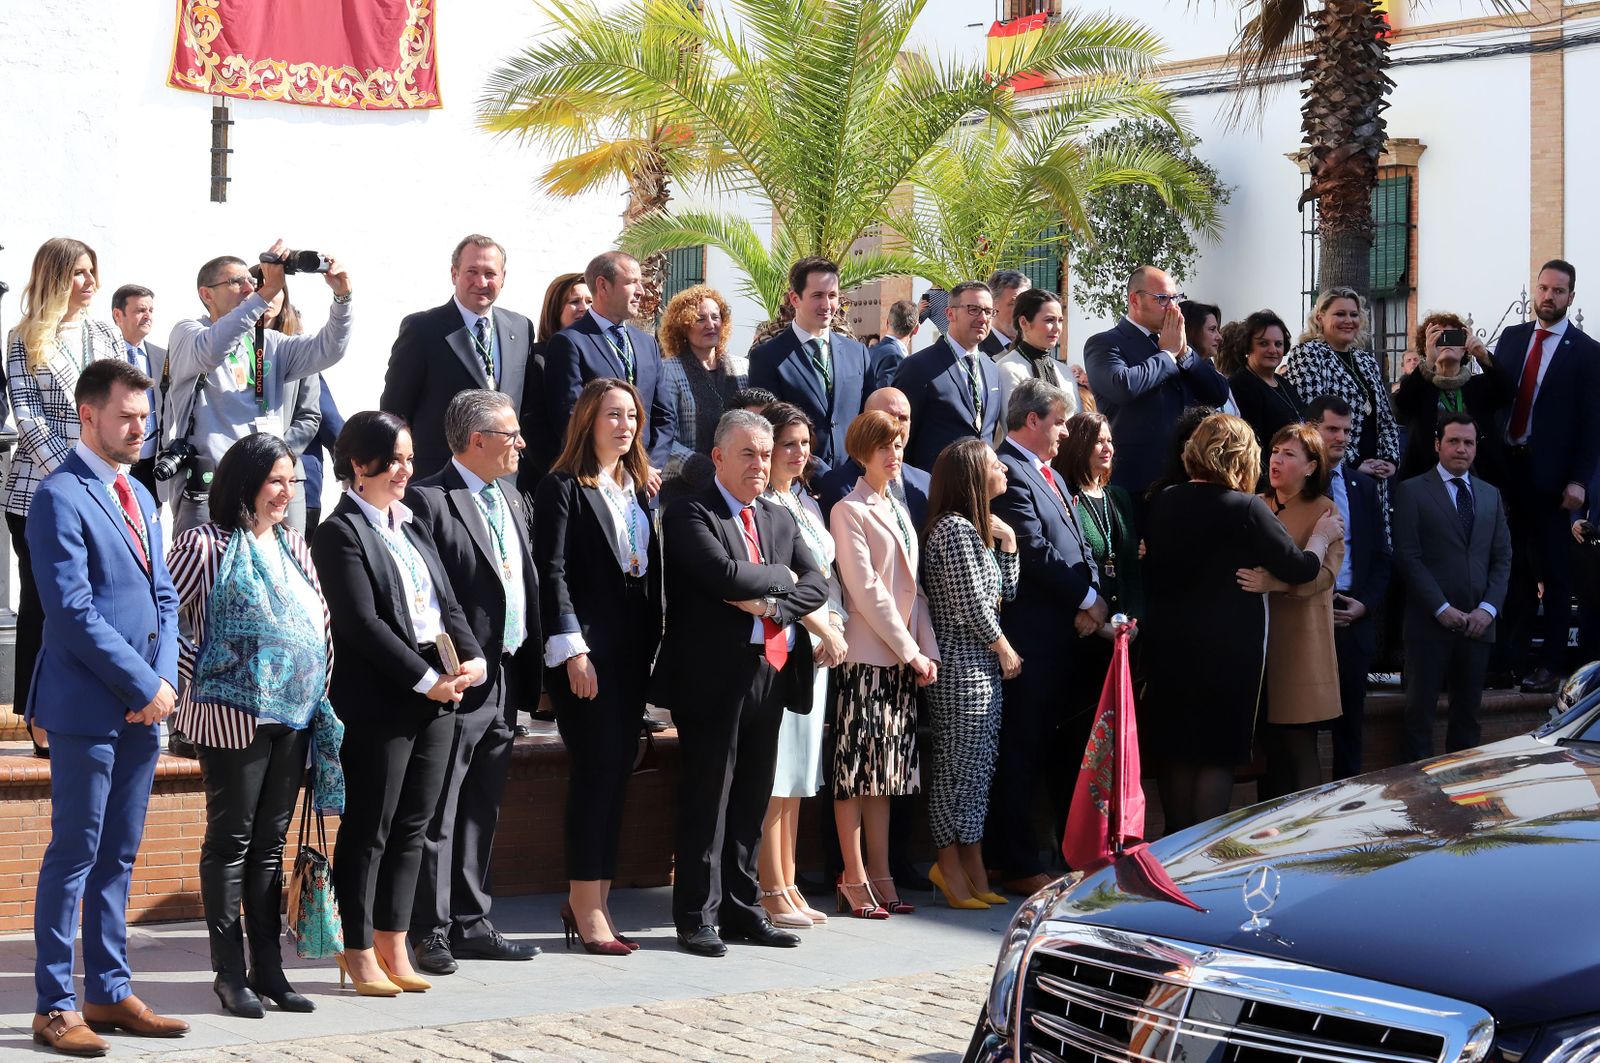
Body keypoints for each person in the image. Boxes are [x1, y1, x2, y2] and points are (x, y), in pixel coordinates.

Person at [29, 359, 188, 1056]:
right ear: (88, 415)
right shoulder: (59, 495)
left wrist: (161, 680)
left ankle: (109, 989)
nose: (139, 427)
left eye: (145, 417)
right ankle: (55, 1004)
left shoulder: (142, 493)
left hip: (141, 709)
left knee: (118, 855)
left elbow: (165, 597)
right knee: (75, 853)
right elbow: (70, 611)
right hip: (87, 709)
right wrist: (140, 685)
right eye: (126, 416)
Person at [311, 411, 486, 997]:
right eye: (394, 459)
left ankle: (393, 940)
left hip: (438, 692)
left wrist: (471, 658)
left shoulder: (412, 525)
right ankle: (356, 949)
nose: (405, 470)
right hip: (382, 696)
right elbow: (361, 623)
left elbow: (445, 602)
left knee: (414, 826)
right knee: (371, 829)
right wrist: (423, 678)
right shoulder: (339, 532)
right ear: (360, 465)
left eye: (410, 458)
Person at [167, 433, 330, 1017]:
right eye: (276, 480)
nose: (287, 491)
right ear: (246, 483)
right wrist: (199, 678)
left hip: (293, 717)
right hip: (234, 718)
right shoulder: (203, 544)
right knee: (230, 842)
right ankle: (228, 974)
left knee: (269, 846)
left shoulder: (294, 545)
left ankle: (271, 971)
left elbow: (314, 622)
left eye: (293, 480)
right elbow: (165, 621)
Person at [657, 409, 828, 956]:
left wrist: (772, 602)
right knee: (709, 795)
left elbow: (818, 582)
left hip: (770, 672)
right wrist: (784, 579)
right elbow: (724, 576)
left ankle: (742, 908)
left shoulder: (778, 518)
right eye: (748, 453)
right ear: (719, 458)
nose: (761, 464)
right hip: (712, 677)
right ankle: (696, 916)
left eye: (765, 452)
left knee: (752, 797)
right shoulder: (691, 512)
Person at [1141, 414, 1341, 833]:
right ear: (1240, 456)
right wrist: (1321, 538)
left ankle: (1171, 847)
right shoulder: (1246, 506)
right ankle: (1200, 852)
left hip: (1168, 647)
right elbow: (1302, 568)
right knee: (1216, 756)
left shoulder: (1163, 500)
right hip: (1226, 652)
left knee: (1177, 752)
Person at [406, 391, 544, 974]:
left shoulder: (513, 496)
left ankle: (471, 920)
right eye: (510, 435)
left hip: (508, 672)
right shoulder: (431, 499)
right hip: (460, 674)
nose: (520, 444)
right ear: (476, 439)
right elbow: (431, 595)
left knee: (482, 804)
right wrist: (457, 659)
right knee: (439, 805)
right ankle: (429, 929)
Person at [533, 379, 663, 955]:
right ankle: (586, 906)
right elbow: (552, 572)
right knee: (594, 776)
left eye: (631, 415)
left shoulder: (637, 489)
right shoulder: (562, 485)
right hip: (585, 655)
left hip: (633, 653)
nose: (624, 425)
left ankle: (597, 901)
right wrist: (573, 648)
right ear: (587, 419)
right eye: (613, 415)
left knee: (616, 778)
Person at [6, 238, 129, 760]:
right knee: (44, 606)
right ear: (56, 277)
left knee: (99, 602)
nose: (89, 282)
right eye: (78, 272)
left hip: (104, 486)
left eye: (92, 271)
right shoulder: (23, 338)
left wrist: (107, 473)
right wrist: (74, 476)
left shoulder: (106, 333)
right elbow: (28, 416)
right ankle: (37, 717)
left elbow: (126, 400)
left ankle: (95, 706)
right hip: (41, 489)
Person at [986, 379, 1104, 892]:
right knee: (1022, 750)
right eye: (1058, 421)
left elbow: (1077, 545)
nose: (1064, 432)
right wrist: (1086, 599)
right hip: (1031, 636)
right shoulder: (1008, 471)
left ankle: (1035, 852)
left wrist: (1093, 601)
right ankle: (1014, 862)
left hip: (1064, 637)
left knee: (1047, 750)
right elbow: (1033, 552)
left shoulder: (1049, 473)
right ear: (1031, 421)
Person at [830, 410, 940, 918]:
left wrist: (926, 650)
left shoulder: (896, 505)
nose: (894, 455)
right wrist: (911, 650)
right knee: (856, 771)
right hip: (867, 657)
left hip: (899, 658)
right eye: (884, 447)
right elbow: (868, 592)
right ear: (861, 452)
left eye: (898, 445)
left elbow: (912, 591)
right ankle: (853, 876)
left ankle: (881, 872)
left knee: (887, 775)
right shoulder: (848, 509)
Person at [165, 239, 351, 535]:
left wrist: (342, 297)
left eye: (252, 281)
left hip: (264, 491)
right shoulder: (188, 333)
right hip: (209, 491)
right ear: (206, 294)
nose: (249, 287)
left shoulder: (269, 342)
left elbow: (329, 349)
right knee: (206, 577)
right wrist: (266, 294)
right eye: (236, 281)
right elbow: (213, 349)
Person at [1488, 260, 1600, 693]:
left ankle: (1552, 665)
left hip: (1555, 484)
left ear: (1571, 297)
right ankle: (1508, 662)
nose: (1548, 297)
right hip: (1508, 473)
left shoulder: (1587, 352)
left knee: (1555, 575)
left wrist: (1580, 482)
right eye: (1543, 288)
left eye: (1558, 291)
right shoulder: (1513, 339)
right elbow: (1499, 399)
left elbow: (1592, 426)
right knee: (1510, 569)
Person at [756, 402, 847, 929]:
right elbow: (788, 580)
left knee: (800, 775)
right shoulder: (768, 506)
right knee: (778, 770)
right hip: (790, 643)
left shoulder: (806, 501)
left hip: (822, 647)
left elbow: (824, 576)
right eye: (787, 444)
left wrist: (836, 629)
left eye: (804, 444)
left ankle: (788, 880)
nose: (798, 453)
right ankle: (769, 885)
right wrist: (824, 629)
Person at [920, 438, 1018, 909]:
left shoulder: (976, 530)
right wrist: (1003, 646)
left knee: (978, 771)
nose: (1004, 469)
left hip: (979, 667)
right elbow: (970, 606)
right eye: (995, 464)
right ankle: (949, 866)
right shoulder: (954, 529)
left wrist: (1009, 542)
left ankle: (973, 867)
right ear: (973, 475)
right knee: (955, 770)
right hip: (961, 666)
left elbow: (1006, 593)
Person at [1393, 413, 1512, 760]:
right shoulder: (1412, 490)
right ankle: (1416, 803)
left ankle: (1462, 802)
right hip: (1428, 626)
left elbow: (1503, 559)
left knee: (1467, 719)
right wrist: (1441, 608)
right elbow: (1408, 557)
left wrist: (1488, 610)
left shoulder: (1490, 495)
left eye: (1469, 443)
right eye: (1454, 441)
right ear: (1437, 445)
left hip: (1477, 627)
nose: (1462, 449)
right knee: (1419, 717)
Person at [380, 235, 541, 483]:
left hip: (505, 478)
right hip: (440, 479)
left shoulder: (520, 327)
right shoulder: (423, 329)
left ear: (503, 277)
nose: (481, 281)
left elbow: (528, 403)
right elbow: (395, 409)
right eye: (472, 271)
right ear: (454, 274)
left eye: (490, 273)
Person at [1238, 423, 1343, 800]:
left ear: (1312, 466)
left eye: (1289, 454)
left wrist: (1278, 584)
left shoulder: (1324, 510)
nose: (1276, 460)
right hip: (1259, 642)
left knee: (1299, 745)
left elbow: (1326, 575)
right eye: (1275, 451)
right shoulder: (1256, 503)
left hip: (1301, 643)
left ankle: (1309, 832)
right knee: (1268, 750)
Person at [1083, 266, 1230, 508]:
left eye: (1175, 299)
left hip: (1186, 477)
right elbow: (1123, 386)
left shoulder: (1178, 344)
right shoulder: (1106, 344)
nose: (1172, 307)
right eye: (1162, 299)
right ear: (1135, 300)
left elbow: (1218, 392)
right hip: (1137, 481)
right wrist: (1168, 355)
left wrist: (1185, 355)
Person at [1304, 395, 1390, 779]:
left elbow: (1382, 557)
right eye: (1332, 430)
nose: (1341, 438)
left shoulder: (1363, 486)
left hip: (1352, 619)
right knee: (1300, 728)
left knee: (1350, 728)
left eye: (1346, 430)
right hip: (1304, 619)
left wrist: (1365, 606)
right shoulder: (1291, 486)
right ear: (1311, 430)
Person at [545, 251, 675, 482]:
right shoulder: (570, 342)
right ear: (603, 286)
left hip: (645, 481)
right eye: (632, 282)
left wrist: (647, 467)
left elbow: (664, 414)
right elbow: (570, 416)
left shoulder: (647, 343)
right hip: (596, 479)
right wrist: (610, 468)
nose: (641, 291)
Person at [1279, 286, 1400, 530]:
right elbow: (1310, 423)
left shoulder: (1365, 360)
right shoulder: (1309, 355)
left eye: (1353, 315)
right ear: (1320, 317)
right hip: (1334, 473)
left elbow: (1385, 418)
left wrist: (1389, 459)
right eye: (1340, 314)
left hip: (1375, 475)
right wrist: (1353, 462)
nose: (1348, 321)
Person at [1057, 411, 1143, 721]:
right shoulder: (1065, 497)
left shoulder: (1117, 497)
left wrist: (1131, 623)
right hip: (1084, 634)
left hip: (1122, 638)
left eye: (1110, 440)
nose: (1107, 448)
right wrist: (1097, 625)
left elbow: (1130, 566)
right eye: (1098, 441)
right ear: (1079, 446)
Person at [748, 258, 871, 473]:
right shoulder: (767, 357)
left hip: (854, 481)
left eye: (832, 295)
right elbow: (770, 429)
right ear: (795, 298)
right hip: (799, 482)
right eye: (817, 296)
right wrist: (822, 476)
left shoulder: (857, 353)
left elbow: (867, 417)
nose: (827, 305)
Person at [245, 264, 322, 535]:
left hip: (288, 473)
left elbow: (310, 415)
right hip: (242, 471)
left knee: (291, 551)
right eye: (260, 289)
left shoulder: (298, 348)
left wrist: (276, 455)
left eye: (276, 290)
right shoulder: (227, 346)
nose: (269, 297)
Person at [894, 280, 1005, 470]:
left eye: (988, 311)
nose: (983, 318)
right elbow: (901, 437)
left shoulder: (992, 369)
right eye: (973, 309)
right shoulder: (918, 367)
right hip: (933, 488)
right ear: (950, 313)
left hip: (982, 489)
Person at [1392, 313, 1511, 482]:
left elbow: (1508, 392)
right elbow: (1403, 404)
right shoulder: (1420, 386)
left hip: (1479, 477)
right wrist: (1428, 360)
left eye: (1454, 337)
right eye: (1438, 337)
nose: (1446, 344)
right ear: (1425, 347)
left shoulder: (1480, 385)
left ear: (1464, 348)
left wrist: (1483, 356)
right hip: (1428, 480)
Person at [659, 284, 747, 480]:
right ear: (683, 326)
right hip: (685, 485)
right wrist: (698, 466)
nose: (710, 324)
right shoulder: (668, 371)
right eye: (700, 319)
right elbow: (662, 435)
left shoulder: (743, 368)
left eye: (716, 317)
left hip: (737, 481)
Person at [815, 386, 932, 527]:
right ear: (865, 421)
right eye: (887, 416)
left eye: (903, 418)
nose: (896, 424)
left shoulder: (924, 481)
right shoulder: (837, 484)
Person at [996, 288, 1071, 442]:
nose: (1057, 328)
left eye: (1060, 320)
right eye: (1049, 320)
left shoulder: (1065, 371)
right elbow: (1016, 430)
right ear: (1024, 322)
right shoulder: (1008, 369)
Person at [1226, 310, 1304, 458]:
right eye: (1264, 343)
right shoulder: (1241, 385)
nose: (1273, 350)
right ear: (1248, 346)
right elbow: (1249, 443)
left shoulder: (1284, 383)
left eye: (1278, 344)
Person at [111, 284, 164, 494]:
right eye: (140, 310)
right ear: (118, 315)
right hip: (117, 458)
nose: (147, 316)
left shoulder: (162, 356)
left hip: (153, 462)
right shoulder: (105, 355)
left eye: (150, 310)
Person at [302, 381, 346, 538]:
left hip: (301, 488)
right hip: (303, 488)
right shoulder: (299, 363)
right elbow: (333, 427)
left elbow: (332, 426)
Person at [868, 299, 918, 391]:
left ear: (887, 323)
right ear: (916, 329)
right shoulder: (894, 356)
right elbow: (887, 400)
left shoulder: (868, 351)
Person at [981, 270, 1031, 357]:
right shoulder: (977, 351)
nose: (1024, 311)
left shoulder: (1034, 347)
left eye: (1028, 304)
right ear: (992, 305)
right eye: (1015, 303)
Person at [1181, 299, 1223, 369]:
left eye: (1217, 330)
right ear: (1193, 331)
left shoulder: (1210, 369)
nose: (1219, 337)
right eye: (1212, 329)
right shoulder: (1174, 375)